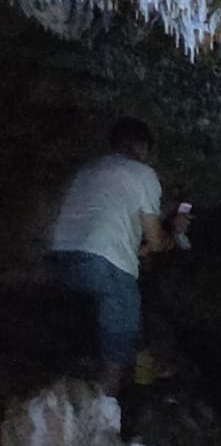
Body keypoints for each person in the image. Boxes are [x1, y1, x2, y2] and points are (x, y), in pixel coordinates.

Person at [49, 117, 187, 395]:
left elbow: (125, 244)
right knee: (117, 343)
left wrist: (143, 251)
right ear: (143, 147)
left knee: (114, 310)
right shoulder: (143, 173)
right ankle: (105, 407)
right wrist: (175, 232)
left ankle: (107, 375)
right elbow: (156, 241)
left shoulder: (88, 170)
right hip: (104, 265)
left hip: (62, 262)